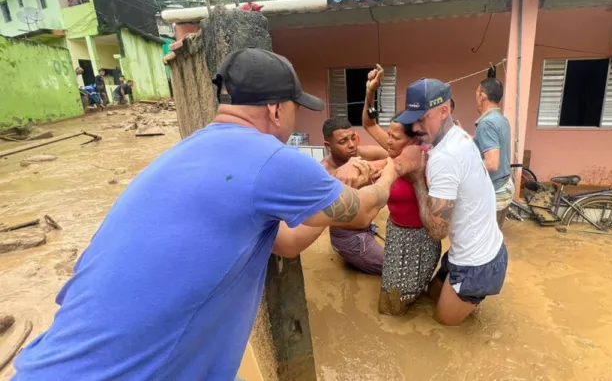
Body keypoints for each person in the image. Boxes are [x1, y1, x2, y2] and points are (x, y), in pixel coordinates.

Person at [13, 48, 418, 380]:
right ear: (276, 110)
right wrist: (395, 170)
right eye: (296, 107)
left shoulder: (186, 153)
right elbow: (363, 207)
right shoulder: (270, 159)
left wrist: (326, 197)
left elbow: (289, 243)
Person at [395, 78, 508, 326]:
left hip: (476, 264)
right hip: (480, 250)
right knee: (430, 297)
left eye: (421, 119)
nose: (414, 127)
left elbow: (436, 230)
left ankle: (469, 302)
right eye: (411, 120)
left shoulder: (444, 158)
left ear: (444, 110)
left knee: (441, 327)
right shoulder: (458, 134)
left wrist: (416, 181)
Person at [362, 66, 441, 316]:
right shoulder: (394, 149)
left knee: (396, 306)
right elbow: (368, 123)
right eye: (389, 134)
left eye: (395, 137)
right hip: (397, 234)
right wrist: (370, 93)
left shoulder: (417, 156)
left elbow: (392, 169)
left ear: (413, 139)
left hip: (417, 240)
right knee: (390, 302)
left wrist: (369, 176)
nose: (388, 140)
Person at [320, 117, 389, 275]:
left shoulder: (360, 153)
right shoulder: (325, 172)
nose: (352, 145)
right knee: (397, 271)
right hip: (349, 237)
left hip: (366, 226)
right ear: (328, 146)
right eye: (343, 141)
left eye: (353, 138)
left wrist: (360, 167)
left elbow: (394, 157)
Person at [473, 77, 513, 224]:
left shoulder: (487, 123)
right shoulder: (501, 119)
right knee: (494, 238)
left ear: (482, 96)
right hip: (505, 186)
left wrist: (465, 168)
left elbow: (492, 163)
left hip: (495, 191)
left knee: (484, 243)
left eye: (476, 94)